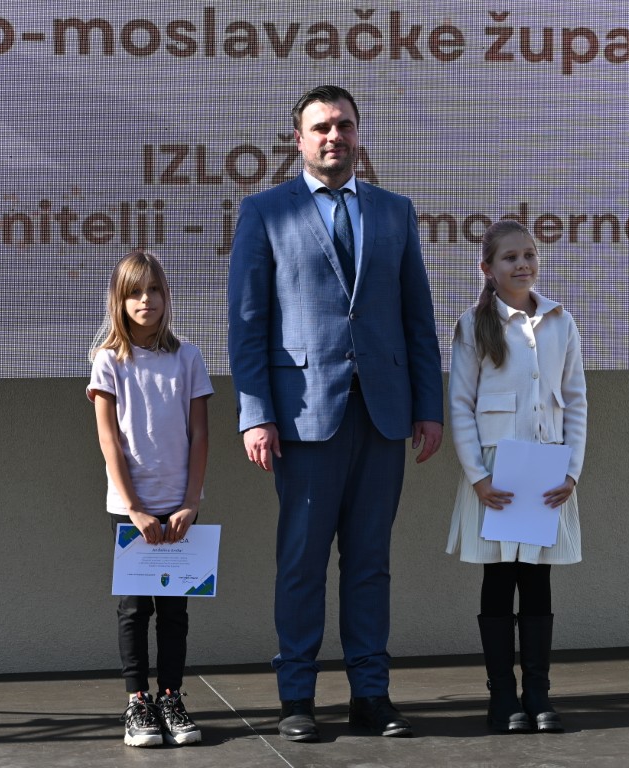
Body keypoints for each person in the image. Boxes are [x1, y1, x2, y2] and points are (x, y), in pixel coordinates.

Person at [227, 85, 444, 742]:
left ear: (358, 134)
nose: (334, 136)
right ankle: (296, 697)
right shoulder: (265, 211)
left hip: (382, 414)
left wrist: (428, 407)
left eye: (344, 125)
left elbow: (417, 317)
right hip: (303, 418)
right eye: (321, 127)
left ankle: (370, 695)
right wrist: (255, 413)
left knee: (370, 562)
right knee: (301, 562)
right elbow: (248, 324)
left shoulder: (394, 212)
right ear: (297, 139)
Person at [445, 218, 587, 734]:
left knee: (537, 579)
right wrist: (478, 477)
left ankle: (538, 693)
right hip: (496, 475)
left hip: (546, 472)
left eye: (529, 254)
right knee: (499, 578)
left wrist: (571, 471)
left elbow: (575, 400)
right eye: (510, 257)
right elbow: (460, 405)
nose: (522, 264)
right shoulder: (473, 325)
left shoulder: (561, 321)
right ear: (487, 267)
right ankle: (502, 696)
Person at [87, 249, 214, 748]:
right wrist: (135, 508)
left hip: (180, 507)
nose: (146, 300)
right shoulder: (108, 361)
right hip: (130, 510)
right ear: (119, 301)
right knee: (135, 609)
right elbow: (109, 441)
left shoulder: (188, 357)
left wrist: (190, 502)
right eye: (135, 292)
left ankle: (171, 697)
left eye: (154, 290)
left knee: (175, 611)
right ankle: (138, 701)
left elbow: (200, 435)